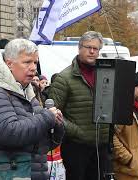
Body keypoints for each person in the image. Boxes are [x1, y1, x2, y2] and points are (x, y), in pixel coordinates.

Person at [0, 39, 64, 180]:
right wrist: (46, 118)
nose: (33, 68)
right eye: (27, 62)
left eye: (35, 62)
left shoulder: (28, 94)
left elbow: (41, 145)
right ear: (9, 64)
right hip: (1, 173)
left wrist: (56, 125)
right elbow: (9, 132)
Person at [48, 31, 110, 180]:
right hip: (76, 147)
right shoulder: (64, 78)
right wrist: (77, 131)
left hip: (100, 146)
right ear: (79, 48)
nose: (92, 51)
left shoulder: (106, 75)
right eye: (88, 47)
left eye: (96, 48)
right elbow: (52, 112)